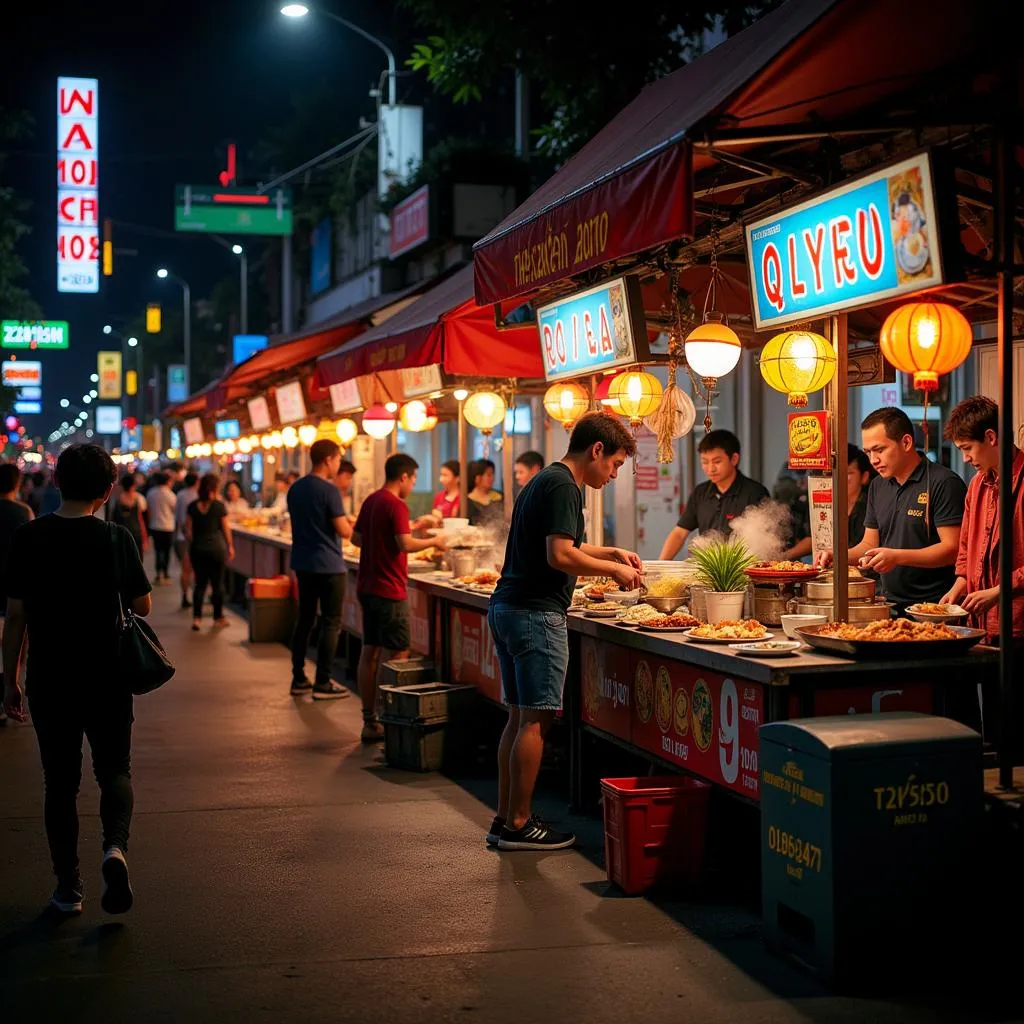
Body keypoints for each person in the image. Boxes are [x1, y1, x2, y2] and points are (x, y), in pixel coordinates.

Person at [2, 444, 152, 915]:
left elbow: (17, 615)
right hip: (108, 676)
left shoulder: (30, 536)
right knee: (114, 770)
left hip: (51, 677)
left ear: (57, 482)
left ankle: (68, 888)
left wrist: (12, 679)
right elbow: (142, 605)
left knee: (59, 784)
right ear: (108, 490)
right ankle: (114, 848)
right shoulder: (115, 537)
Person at [488, 413, 643, 851]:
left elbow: (564, 544)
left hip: (509, 608)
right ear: (596, 450)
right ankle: (519, 823)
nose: (613, 475)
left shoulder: (547, 480)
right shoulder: (563, 486)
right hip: (536, 614)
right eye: (614, 465)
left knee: (518, 717)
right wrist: (613, 569)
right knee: (535, 719)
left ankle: (504, 818)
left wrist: (610, 550)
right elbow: (559, 555)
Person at [819, 407, 966, 614]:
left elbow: (952, 550)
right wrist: (838, 555)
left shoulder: (943, 482)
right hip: (886, 604)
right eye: (868, 452)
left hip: (934, 608)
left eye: (879, 450)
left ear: (906, 442)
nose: (873, 460)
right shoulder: (878, 485)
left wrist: (896, 557)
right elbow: (870, 544)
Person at [353, 454, 444, 742]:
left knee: (369, 653)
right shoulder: (396, 504)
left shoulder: (372, 500)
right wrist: (435, 540)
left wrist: (390, 536)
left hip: (366, 587)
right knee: (398, 655)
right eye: (414, 479)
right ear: (403, 477)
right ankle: (390, 720)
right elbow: (404, 544)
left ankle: (369, 720)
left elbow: (357, 539)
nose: (413, 485)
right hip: (389, 590)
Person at [941, 396, 1024, 644]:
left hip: (1018, 626)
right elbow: (965, 550)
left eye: (967, 448)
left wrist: (999, 591)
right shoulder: (977, 485)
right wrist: (960, 584)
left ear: (991, 437)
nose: (965, 458)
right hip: (981, 626)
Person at [287, 440, 352, 700]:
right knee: (331, 622)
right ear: (328, 460)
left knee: (304, 619)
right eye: (338, 459)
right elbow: (344, 531)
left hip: (303, 563)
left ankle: (298, 677)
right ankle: (323, 682)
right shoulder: (330, 490)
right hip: (329, 565)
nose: (338, 464)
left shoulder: (296, 488)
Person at [659, 429, 770, 560]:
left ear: (734, 459)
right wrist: (660, 564)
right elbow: (679, 533)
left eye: (717, 462)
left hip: (743, 571)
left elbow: (766, 541)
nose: (710, 469)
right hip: (706, 568)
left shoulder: (755, 493)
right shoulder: (700, 493)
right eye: (705, 462)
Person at [0, 463, 33, 724]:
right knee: (16, 633)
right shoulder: (23, 513)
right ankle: (11, 682)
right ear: (17, 484)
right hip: (15, 586)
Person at [186, 473, 234, 631]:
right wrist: (230, 546)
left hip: (198, 549)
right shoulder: (219, 506)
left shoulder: (192, 506)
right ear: (214, 488)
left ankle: (197, 618)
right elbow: (226, 529)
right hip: (216, 549)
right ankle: (218, 617)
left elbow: (188, 531)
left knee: (200, 584)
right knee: (217, 584)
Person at [146, 471, 177, 585]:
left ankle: (158, 574)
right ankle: (166, 573)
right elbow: (175, 511)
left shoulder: (151, 493)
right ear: (167, 481)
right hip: (168, 526)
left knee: (158, 550)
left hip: (155, 526)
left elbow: (148, 511)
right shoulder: (171, 495)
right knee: (167, 551)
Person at [108, 473, 148, 557]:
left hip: (120, 533)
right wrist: (145, 537)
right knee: (136, 557)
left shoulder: (116, 499)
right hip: (136, 533)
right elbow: (141, 519)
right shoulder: (139, 498)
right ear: (134, 485)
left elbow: (111, 517)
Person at [174, 472, 199, 610]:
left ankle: (184, 596)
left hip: (181, 537)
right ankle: (196, 595)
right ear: (196, 482)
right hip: (195, 537)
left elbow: (177, 517)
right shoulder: (198, 496)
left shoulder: (180, 495)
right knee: (195, 569)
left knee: (185, 569)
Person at [414, 460, 461, 530]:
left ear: (457, 478)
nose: (441, 479)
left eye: (445, 475)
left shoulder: (462, 499)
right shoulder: (439, 496)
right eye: (441, 475)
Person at [467, 459, 503, 527]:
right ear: (477, 478)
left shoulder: (500, 496)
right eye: (489, 475)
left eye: (493, 474)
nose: (492, 478)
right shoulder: (467, 501)